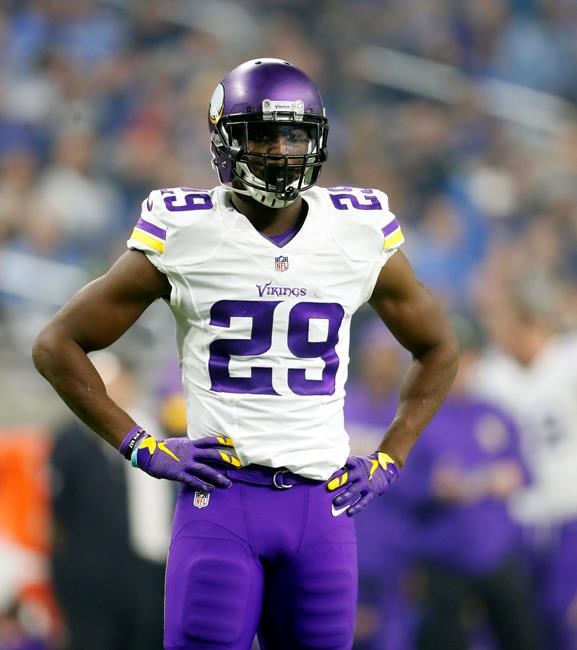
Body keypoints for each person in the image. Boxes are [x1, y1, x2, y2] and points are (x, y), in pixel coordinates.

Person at [32, 58, 459, 650]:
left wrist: (391, 457)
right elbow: (58, 344)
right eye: (263, 133)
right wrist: (140, 445)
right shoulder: (188, 231)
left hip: (323, 505)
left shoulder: (357, 231)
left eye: (295, 133)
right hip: (222, 503)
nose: (282, 149)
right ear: (226, 139)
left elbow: (439, 348)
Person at [398, 320, 541, 650]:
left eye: (467, 360)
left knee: (522, 636)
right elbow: (399, 484)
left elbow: (527, 470)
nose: (461, 371)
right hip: (444, 559)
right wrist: (432, 487)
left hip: (497, 553)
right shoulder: (419, 417)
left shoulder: (495, 414)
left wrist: (511, 475)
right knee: (443, 640)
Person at [471, 289, 577, 650]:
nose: (499, 334)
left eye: (507, 325)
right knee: (507, 622)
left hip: (568, 515)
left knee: (563, 621)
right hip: (513, 517)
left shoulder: (569, 358)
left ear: (530, 323)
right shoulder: (491, 374)